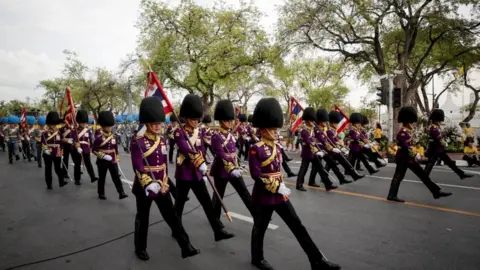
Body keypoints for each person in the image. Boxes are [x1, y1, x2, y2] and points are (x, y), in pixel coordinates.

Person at [249, 98, 341, 270]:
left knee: (297, 226)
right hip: (264, 195)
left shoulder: (276, 146)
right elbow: (256, 174)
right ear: (263, 129)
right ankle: (257, 258)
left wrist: (280, 186)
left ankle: (316, 259)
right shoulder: (256, 148)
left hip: (280, 194)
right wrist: (276, 186)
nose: (276, 132)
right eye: (273, 129)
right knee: (260, 228)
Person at [130, 97, 199, 261]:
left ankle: (186, 246)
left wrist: (165, 183)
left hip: (161, 185)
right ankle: (140, 248)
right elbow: (138, 166)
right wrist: (148, 183)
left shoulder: (162, 140)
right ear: (147, 123)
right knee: (143, 218)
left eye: (159, 123)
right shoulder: (137, 142)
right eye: (154, 123)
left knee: (173, 217)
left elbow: (164, 166)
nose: (157, 125)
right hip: (145, 186)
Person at [173, 94, 234, 241]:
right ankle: (176, 229)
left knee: (207, 203)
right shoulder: (179, 132)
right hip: (185, 173)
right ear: (186, 118)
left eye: (197, 119)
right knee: (179, 205)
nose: (196, 121)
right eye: (193, 119)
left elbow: (201, 149)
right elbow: (187, 149)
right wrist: (199, 162)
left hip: (197, 174)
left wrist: (204, 164)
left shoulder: (198, 131)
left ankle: (218, 230)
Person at [387, 106, 452, 202]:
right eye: (412, 122)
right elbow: (406, 147)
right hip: (404, 158)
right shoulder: (403, 133)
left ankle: (436, 192)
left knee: (421, 175)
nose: (413, 124)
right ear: (408, 122)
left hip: (407, 158)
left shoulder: (407, 132)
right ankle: (392, 195)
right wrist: (416, 155)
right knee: (399, 176)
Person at [210, 99, 254, 220]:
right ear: (220, 120)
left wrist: (239, 164)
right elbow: (220, 154)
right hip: (222, 170)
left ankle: (256, 214)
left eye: (230, 120)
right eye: (226, 120)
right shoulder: (216, 136)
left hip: (233, 167)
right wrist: (231, 167)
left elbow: (234, 152)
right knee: (218, 196)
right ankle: (215, 219)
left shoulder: (230, 135)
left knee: (244, 192)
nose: (229, 122)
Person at [295, 107, 337, 191]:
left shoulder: (312, 129)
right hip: (307, 152)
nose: (313, 122)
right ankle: (299, 185)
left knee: (320, 168)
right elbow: (308, 141)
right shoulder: (304, 130)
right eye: (311, 120)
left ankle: (327, 184)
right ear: (307, 121)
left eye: (313, 120)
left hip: (313, 152)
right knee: (304, 169)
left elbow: (318, 138)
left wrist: (324, 145)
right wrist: (317, 150)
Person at [424, 109, 473, 180]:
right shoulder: (434, 128)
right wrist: (445, 143)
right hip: (435, 149)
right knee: (431, 164)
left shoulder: (435, 127)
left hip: (438, 150)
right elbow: (440, 140)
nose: (440, 122)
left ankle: (461, 174)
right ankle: (424, 176)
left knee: (449, 163)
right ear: (437, 120)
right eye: (439, 121)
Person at [93, 111, 128, 200]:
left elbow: (115, 149)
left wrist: (117, 157)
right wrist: (103, 156)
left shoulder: (113, 137)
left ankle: (121, 192)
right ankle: (101, 193)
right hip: (102, 161)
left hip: (112, 159)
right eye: (107, 126)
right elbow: (94, 150)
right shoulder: (99, 137)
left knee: (116, 176)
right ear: (103, 126)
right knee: (102, 178)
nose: (109, 128)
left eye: (110, 126)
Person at [41, 111, 68, 189]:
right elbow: (43, 142)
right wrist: (45, 150)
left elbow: (61, 143)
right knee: (48, 169)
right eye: (52, 124)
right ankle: (49, 184)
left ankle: (61, 181)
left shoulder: (59, 132)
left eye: (54, 124)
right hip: (48, 152)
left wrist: (62, 153)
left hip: (57, 151)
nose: (53, 126)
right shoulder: (45, 133)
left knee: (58, 168)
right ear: (49, 123)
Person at [71, 110, 99, 185]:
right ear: (79, 122)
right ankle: (77, 179)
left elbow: (91, 139)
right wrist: (77, 147)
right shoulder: (74, 130)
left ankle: (92, 177)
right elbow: (73, 140)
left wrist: (93, 148)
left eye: (85, 122)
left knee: (88, 163)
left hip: (86, 149)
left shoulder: (88, 130)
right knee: (77, 164)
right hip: (78, 149)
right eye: (82, 122)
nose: (84, 124)